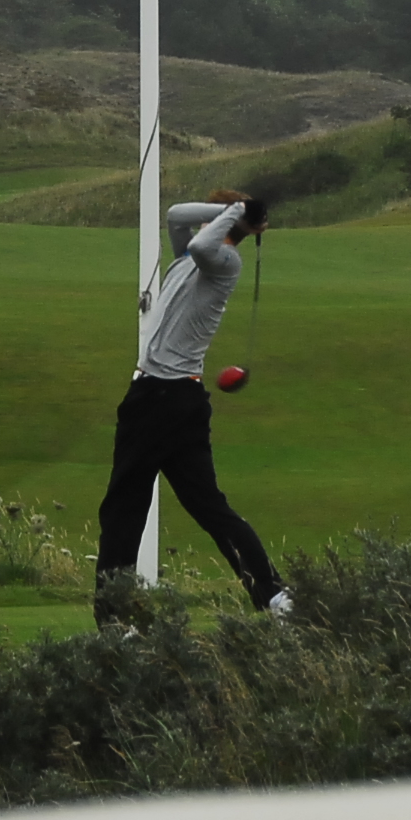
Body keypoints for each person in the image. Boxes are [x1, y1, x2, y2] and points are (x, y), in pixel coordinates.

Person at [94, 187, 291, 620]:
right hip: (179, 401)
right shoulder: (189, 256)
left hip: (157, 398)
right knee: (208, 506)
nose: (205, 222)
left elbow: (204, 241)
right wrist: (232, 210)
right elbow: (175, 215)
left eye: (217, 216)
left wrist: (238, 216)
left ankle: (112, 618)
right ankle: (273, 595)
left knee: (123, 508)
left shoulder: (222, 262)